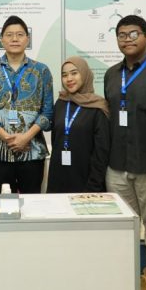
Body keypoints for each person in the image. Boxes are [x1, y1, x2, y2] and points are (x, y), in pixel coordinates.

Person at [103, 15, 146, 267]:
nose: (127, 39)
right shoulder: (111, 75)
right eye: (122, 35)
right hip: (117, 166)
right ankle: (126, 279)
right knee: (122, 227)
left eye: (133, 34)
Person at [0, 15, 53, 193]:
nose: (14, 39)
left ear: (27, 39)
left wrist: (26, 138)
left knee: (32, 203)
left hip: (33, 152)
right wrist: (8, 138)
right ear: (2, 40)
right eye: (9, 35)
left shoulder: (41, 70)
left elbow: (48, 111)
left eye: (20, 34)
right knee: (5, 203)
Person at [47, 56, 110, 193]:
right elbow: (56, 140)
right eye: (64, 75)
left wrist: (94, 185)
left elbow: (101, 153)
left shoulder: (98, 107)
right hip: (58, 177)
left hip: (86, 180)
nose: (69, 79)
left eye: (74, 73)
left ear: (85, 74)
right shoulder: (61, 102)